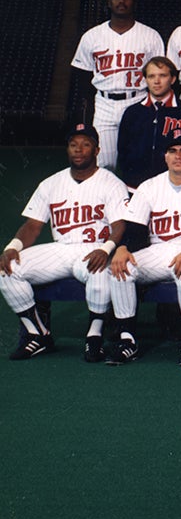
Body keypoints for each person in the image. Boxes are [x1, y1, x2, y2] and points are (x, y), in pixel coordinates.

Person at [0, 124, 127, 362]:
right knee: (7, 269)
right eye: (73, 144)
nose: (78, 150)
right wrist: (12, 247)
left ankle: (94, 337)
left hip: (94, 248)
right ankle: (37, 334)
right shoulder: (51, 183)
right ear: (67, 149)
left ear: (97, 150)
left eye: (85, 144)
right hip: (61, 248)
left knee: (98, 271)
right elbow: (32, 226)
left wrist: (106, 248)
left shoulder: (111, 182)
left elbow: (120, 225)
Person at [108, 128, 181, 367]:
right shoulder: (149, 186)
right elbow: (135, 229)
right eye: (172, 151)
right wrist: (122, 248)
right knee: (121, 269)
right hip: (157, 249)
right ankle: (127, 339)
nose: (178, 156)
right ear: (165, 156)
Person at [71, 0, 165, 170]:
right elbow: (82, 77)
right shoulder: (92, 36)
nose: (121, 1)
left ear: (134, 2)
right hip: (105, 104)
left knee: (140, 161)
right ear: (109, 2)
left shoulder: (150, 35)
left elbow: (161, 76)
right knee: (104, 164)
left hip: (137, 101)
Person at [116, 55, 181, 192]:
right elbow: (123, 152)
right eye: (151, 76)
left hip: (173, 189)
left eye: (162, 75)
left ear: (173, 79)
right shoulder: (133, 113)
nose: (156, 81)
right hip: (136, 187)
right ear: (145, 80)